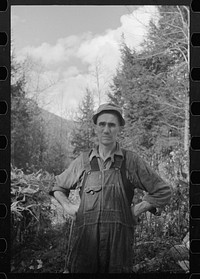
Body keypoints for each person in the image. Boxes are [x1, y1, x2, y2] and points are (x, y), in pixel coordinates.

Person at [49, 103, 171, 273]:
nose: (106, 129)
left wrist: (137, 209)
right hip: (85, 245)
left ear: (119, 128)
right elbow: (57, 186)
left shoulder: (131, 161)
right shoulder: (83, 161)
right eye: (102, 124)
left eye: (112, 125)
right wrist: (68, 206)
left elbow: (163, 190)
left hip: (118, 246)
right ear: (95, 128)